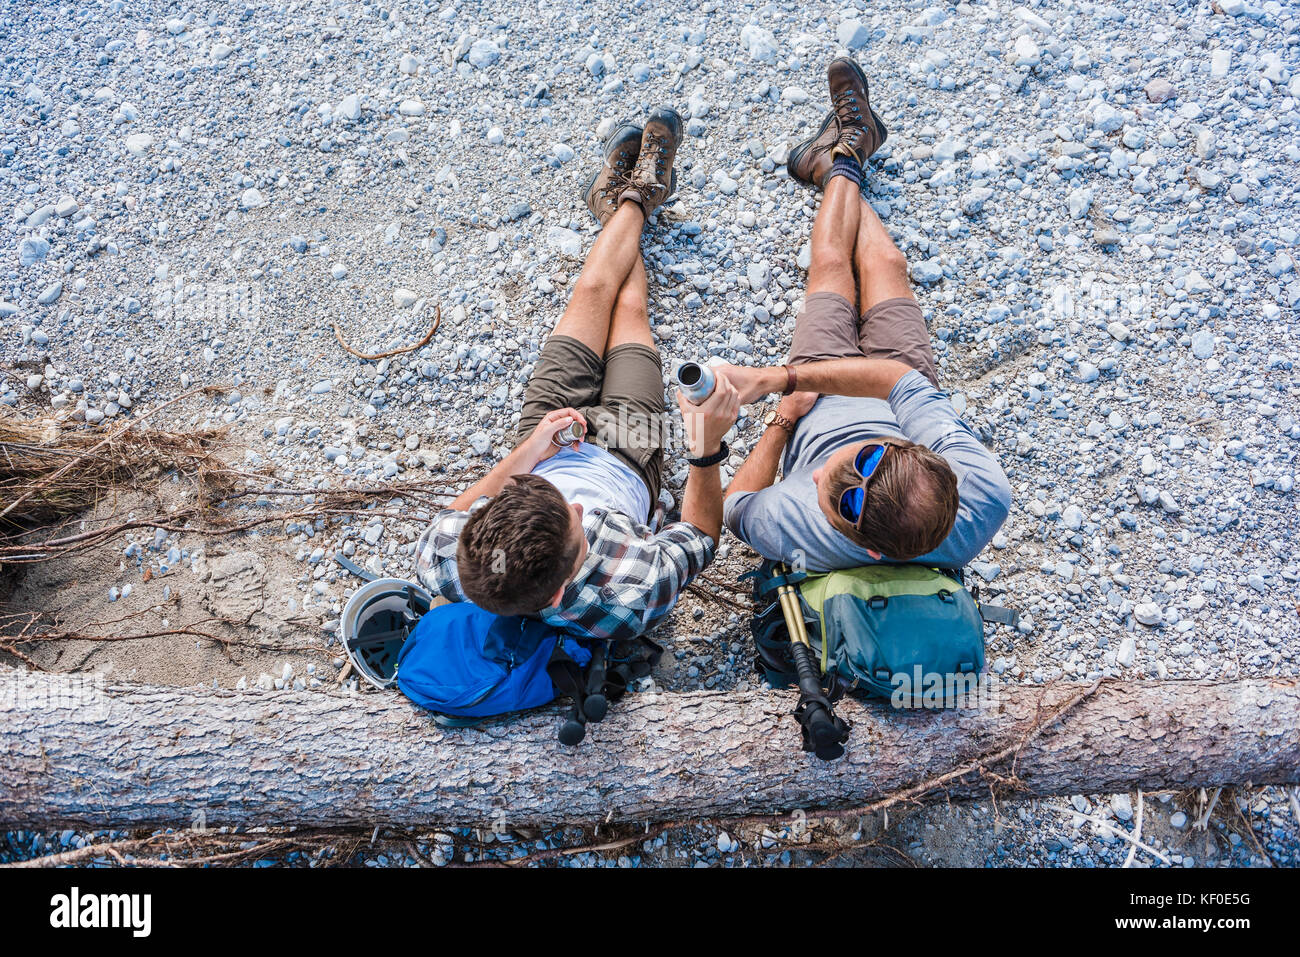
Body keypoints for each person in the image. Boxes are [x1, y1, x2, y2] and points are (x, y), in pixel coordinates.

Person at [415, 108, 740, 641]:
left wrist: (532, 455)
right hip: (631, 456)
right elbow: (701, 536)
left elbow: (456, 514)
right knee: (630, 311)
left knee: (591, 294)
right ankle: (630, 201)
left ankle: (628, 201)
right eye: (576, 519)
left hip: (549, 434)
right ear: (562, 590)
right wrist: (706, 449)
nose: (576, 502)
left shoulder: (449, 562)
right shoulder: (633, 591)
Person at [717, 58, 1011, 574]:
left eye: (826, 493)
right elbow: (898, 380)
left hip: (814, 393)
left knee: (831, 266)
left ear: (869, 552)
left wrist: (786, 414)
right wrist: (776, 378)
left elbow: (736, 506)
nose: (813, 478)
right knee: (887, 264)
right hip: (894, 380)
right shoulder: (982, 493)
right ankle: (844, 157)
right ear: (931, 460)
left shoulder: (799, 527)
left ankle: (840, 161)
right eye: (865, 456)